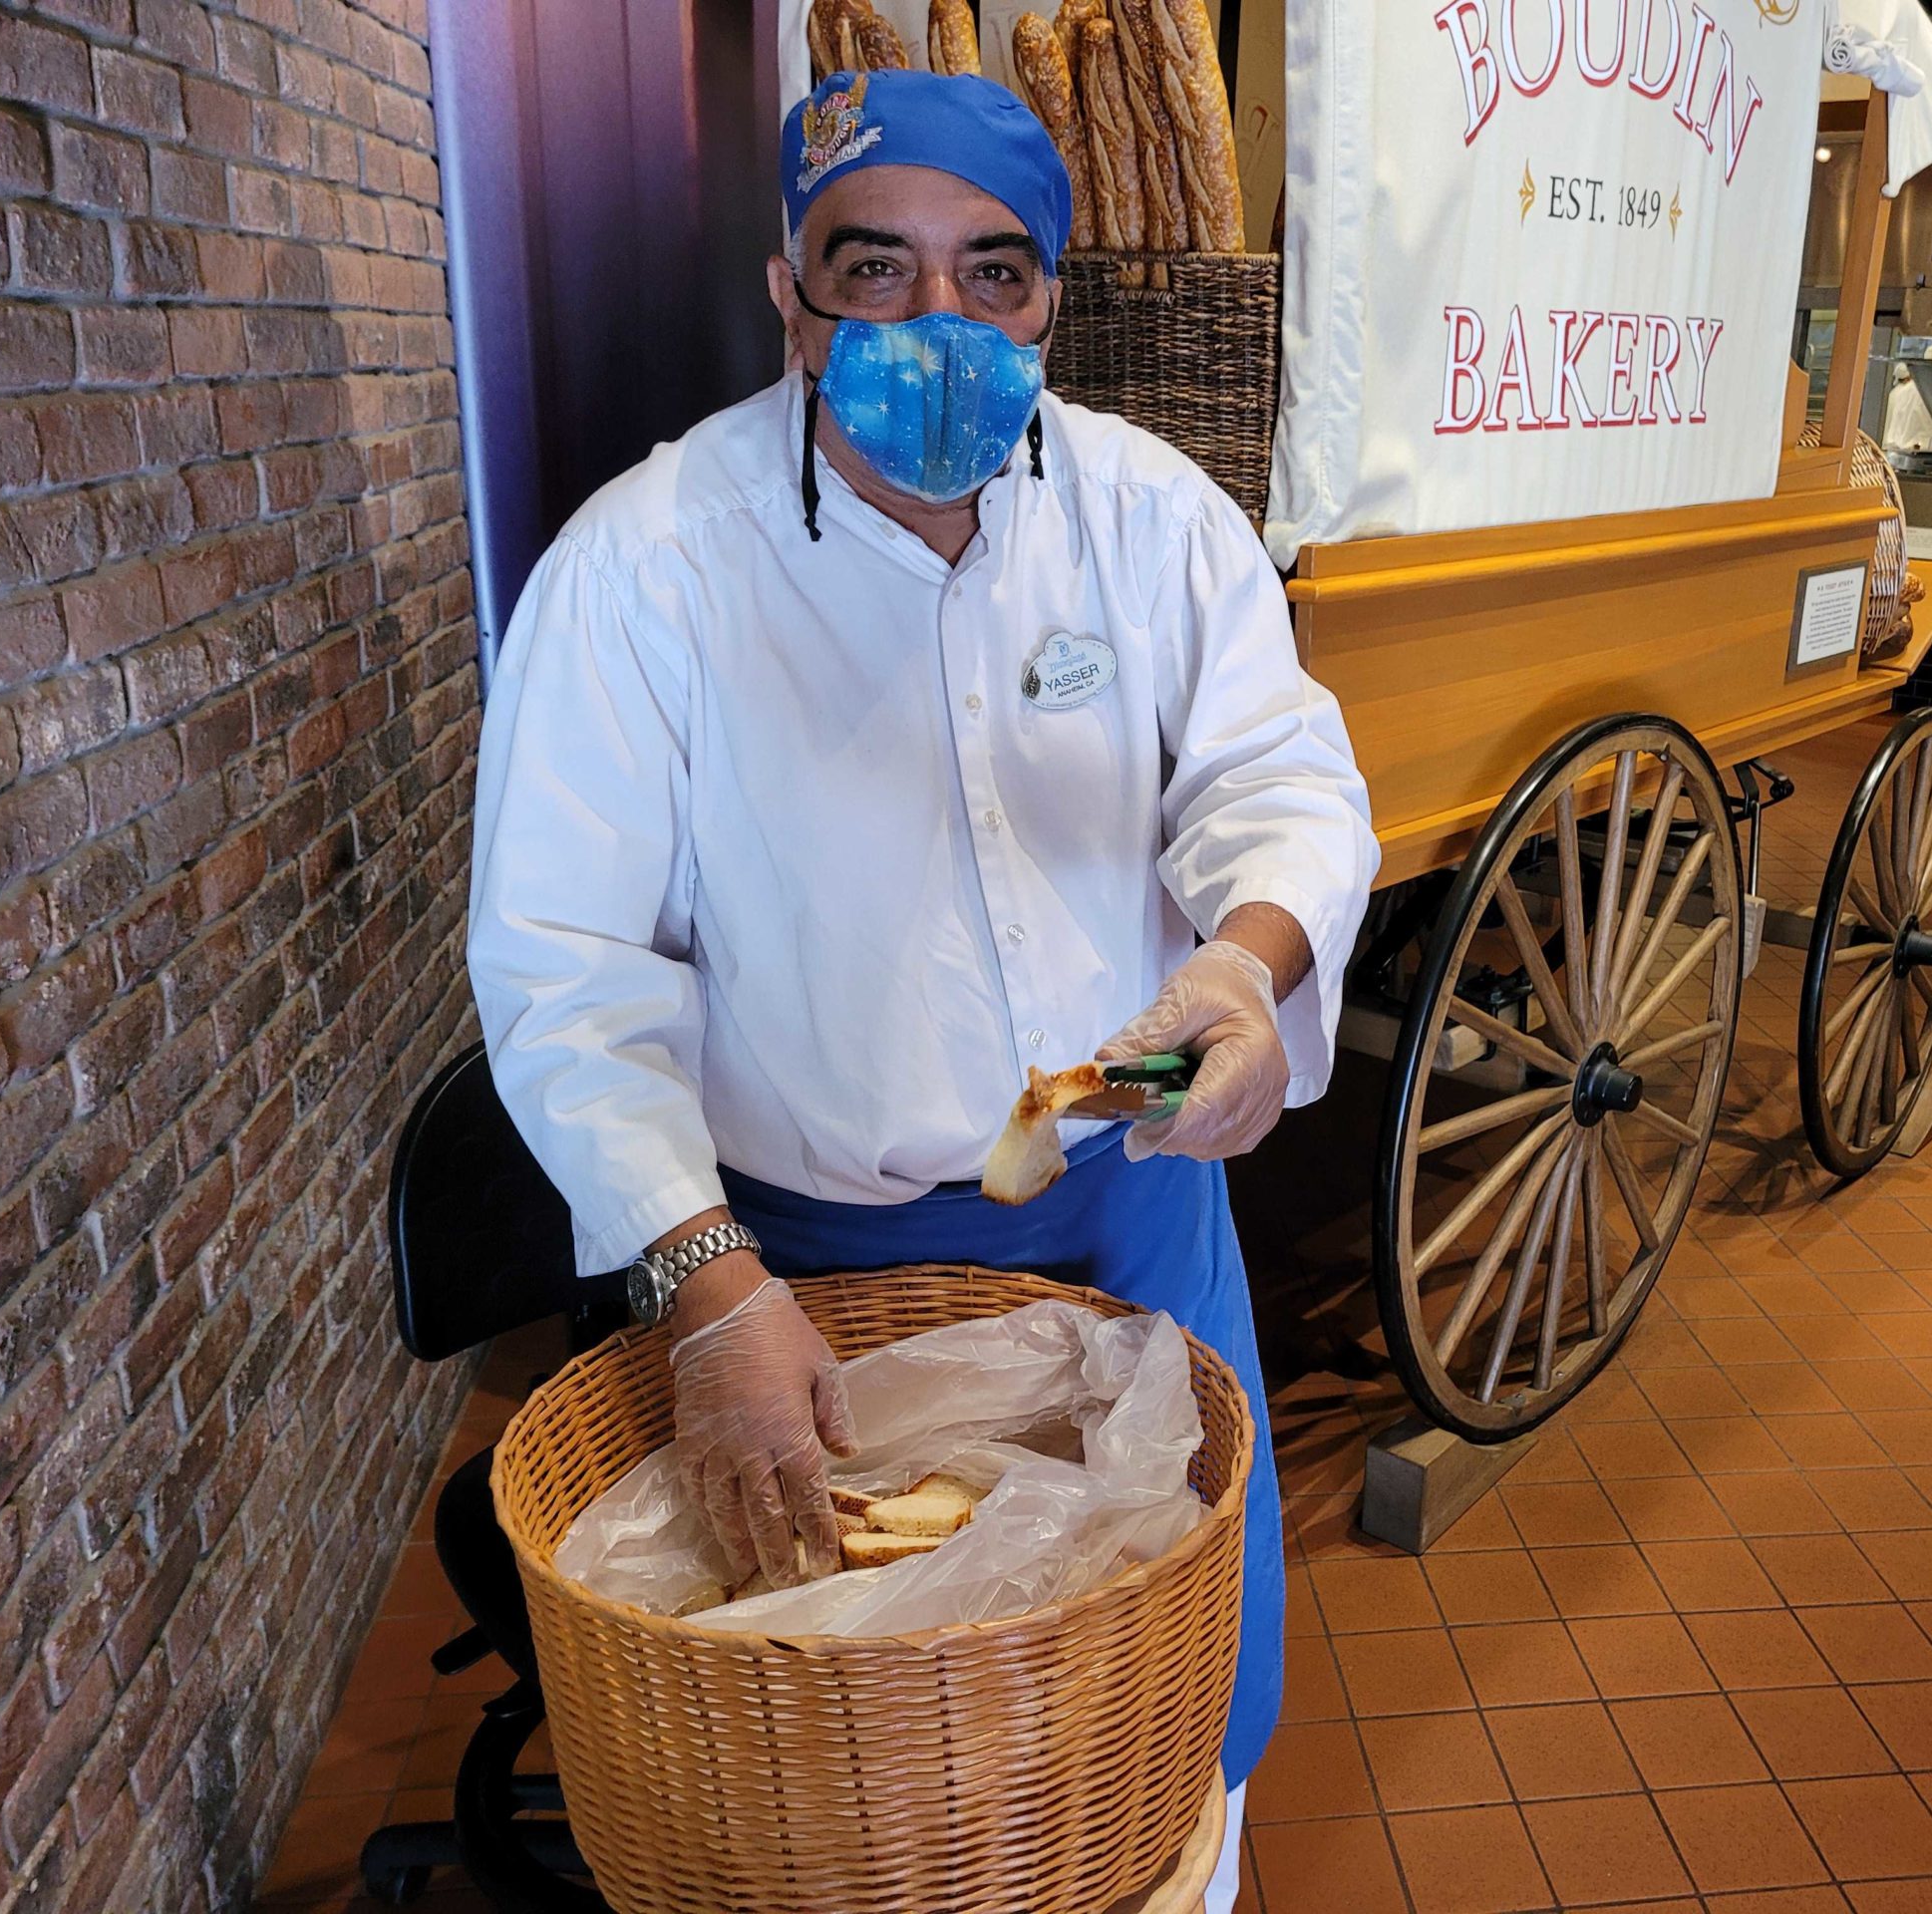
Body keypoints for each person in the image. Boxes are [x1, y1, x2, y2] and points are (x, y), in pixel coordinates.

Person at [466, 67, 1377, 1909]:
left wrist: (1243, 959)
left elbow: (1281, 775)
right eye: (874, 268)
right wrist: (708, 1297)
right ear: (789, 291)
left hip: (1134, 1213)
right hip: (805, 1285)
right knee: (880, 1778)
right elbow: (567, 972)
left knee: (1161, 1723)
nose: (936, 322)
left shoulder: (1151, 519)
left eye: (994, 272)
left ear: (1053, 301)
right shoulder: (646, 567)